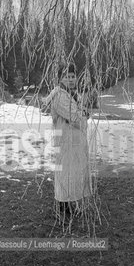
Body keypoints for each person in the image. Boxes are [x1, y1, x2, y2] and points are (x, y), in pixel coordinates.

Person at [42, 64, 92, 218]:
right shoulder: (59, 95)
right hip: (65, 140)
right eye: (66, 77)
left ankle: (71, 203)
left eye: (72, 76)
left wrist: (82, 113)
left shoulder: (71, 94)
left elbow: (81, 113)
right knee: (65, 172)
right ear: (60, 79)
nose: (70, 79)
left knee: (74, 171)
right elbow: (75, 117)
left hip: (74, 141)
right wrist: (82, 115)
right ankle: (63, 205)